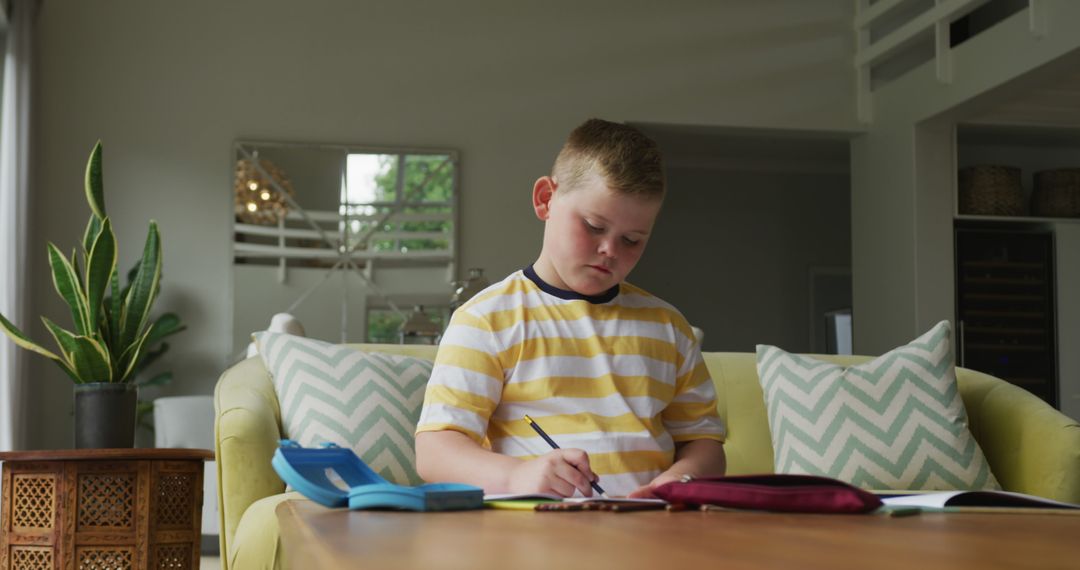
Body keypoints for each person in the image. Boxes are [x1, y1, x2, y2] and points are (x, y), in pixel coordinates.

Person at [414, 118, 726, 498]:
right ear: (546, 199)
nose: (610, 250)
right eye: (594, 226)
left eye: (632, 239)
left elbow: (704, 444)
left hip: (650, 535)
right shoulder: (486, 319)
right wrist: (518, 476)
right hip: (537, 537)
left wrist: (682, 479)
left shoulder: (668, 327)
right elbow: (434, 453)